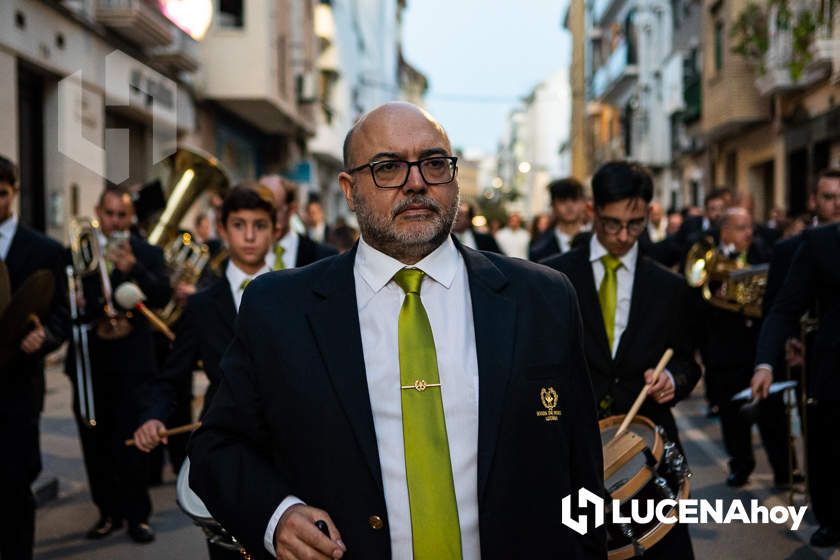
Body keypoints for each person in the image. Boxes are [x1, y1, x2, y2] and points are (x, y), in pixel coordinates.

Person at [188, 102, 606, 559]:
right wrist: (277, 516)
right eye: (388, 167)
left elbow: (581, 467)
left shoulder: (542, 299)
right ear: (349, 190)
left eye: (433, 163)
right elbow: (217, 447)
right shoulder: (279, 309)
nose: (416, 182)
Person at [542, 161, 698, 559]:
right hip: (574, 450)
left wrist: (673, 381)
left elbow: (687, 362)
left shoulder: (670, 286)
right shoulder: (550, 278)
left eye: (636, 224)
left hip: (645, 447)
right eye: (612, 224)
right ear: (592, 211)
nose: (624, 235)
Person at [133, 184, 277, 559]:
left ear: (275, 230)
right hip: (225, 439)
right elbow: (171, 376)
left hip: (288, 443)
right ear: (222, 229)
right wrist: (152, 417)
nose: (249, 236)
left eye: (259, 225)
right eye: (239, 225)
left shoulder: (298, 291)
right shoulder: (200, 306)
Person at [65, 185, 170, 544]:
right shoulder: (80, 253)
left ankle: (138, 516)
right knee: (96, 442)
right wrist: (76, 299)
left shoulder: (147, 252)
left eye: (122, 215)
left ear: (132, 217)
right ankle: (107, 512)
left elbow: (162, 294)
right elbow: (63, 306)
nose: (114, 221)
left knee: (133, 441)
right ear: (98, 212)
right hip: (93, 362)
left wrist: (135, 268)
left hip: (135, 364)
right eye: (109, 214)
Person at [752, 172, 840, 548]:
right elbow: (784, 309)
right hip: (834, 372)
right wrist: (765, 363)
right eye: (830, 196)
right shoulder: (818, 243)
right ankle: (833, 519)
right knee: (829, 452)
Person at [0, 155, 68, 560]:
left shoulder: (44, 250)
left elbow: (61, 313)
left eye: (1, 194)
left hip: (18, 389)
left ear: (15, 192)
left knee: (13, 485)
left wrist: (45, 338)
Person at [699, 207, 790, 489]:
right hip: (726, 351)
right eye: (741, 227)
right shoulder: (710, 259)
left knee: (773, 414)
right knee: (732, 416)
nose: (748, 233)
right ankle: (740, 465)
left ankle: (784, 470)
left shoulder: (765, 254)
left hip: (759, 348)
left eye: (750, 226)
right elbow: (696, 302)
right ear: (725, 231)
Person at [260, 176, 337, 269]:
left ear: (292, 209)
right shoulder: (242, 256)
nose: (263, 219)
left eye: (273, 211)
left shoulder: (323, 256)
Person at [529, 177, 587, 261]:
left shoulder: (598, 241)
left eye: (574, 200)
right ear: (553, 205)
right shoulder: (538, 249)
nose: (569, 206)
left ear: (584, 203)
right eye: (562, 201)